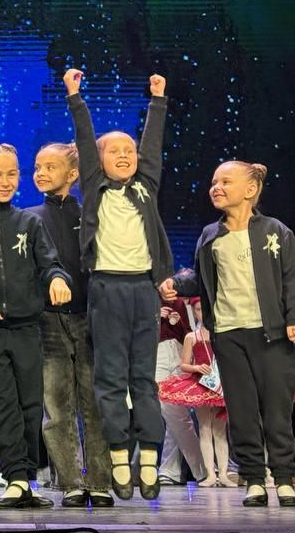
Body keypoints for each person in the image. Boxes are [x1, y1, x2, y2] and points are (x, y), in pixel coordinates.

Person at [64, 68, 174, 500]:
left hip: (143, 290)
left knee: (143, 378)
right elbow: (85, 139)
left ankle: (149, 459)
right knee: (110, 378)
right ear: (99, 160)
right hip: (107, 289)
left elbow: (153, 147)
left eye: (130, 150)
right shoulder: (94, 187)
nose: (126, 155)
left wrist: (157, 102)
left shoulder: (146, 186)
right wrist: (76, 98)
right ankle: (117, 456)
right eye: (115, 151)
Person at [164, 160, 295, 508]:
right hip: (228, 333)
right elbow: (201, 278)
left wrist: (292, 317)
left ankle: (284, 478)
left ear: (250, 190)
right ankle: (254, 479)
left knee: (277, 409)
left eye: (226, 181)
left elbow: (291, 276)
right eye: (214, 182)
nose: (216, 187)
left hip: (271, 334)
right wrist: (177, 283)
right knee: (241, 410)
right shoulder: (210, 235)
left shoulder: (275, 231)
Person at [0, 143, 71, 509]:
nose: (6, 181)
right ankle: (15, 477)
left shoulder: (30, 222)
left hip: (27, 329)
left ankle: (28, 478)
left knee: (30, 405)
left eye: (12, 174)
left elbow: (49, 263)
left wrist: (57, 279)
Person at [28, 143, 113, 507]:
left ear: (73, 174)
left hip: (90, 318)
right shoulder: (29, 218)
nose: (41, 173)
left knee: (95, 403)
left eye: (51, 166)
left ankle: (100, 481)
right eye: (37, 166)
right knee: (56, 406)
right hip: (47, 320)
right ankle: (70, 482)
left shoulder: (92, 215)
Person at [156, 299, 230, 487]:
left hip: (210, 373)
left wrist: (178, 322)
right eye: (198, 309)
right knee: (175, 413)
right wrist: (155, 317)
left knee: (214, 428)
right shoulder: (146, 295)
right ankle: (205, 471)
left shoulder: (180, 301)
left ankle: (214, 472)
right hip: (161, 353)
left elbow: (187, 333)